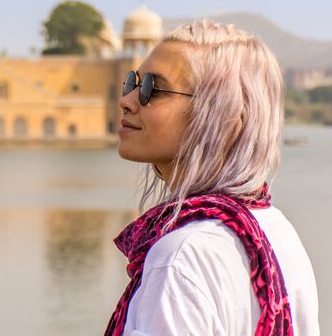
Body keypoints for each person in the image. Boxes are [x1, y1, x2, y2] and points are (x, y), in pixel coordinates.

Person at [105, 20, 319, 335]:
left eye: (153, 88)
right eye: (132, 83)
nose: (127, 101)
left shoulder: (180, 256)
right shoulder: (275, 228)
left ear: (221, 115)